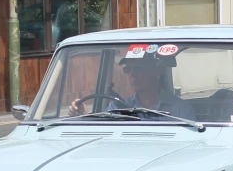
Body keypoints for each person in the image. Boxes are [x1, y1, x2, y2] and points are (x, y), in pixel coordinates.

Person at [69, 50, 197, 121]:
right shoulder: (118, 107)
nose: (132, 75)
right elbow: (101, 127)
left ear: (158, 71)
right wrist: (83, 113)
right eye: (128, 69)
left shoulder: (180, 110)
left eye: (139, 68)